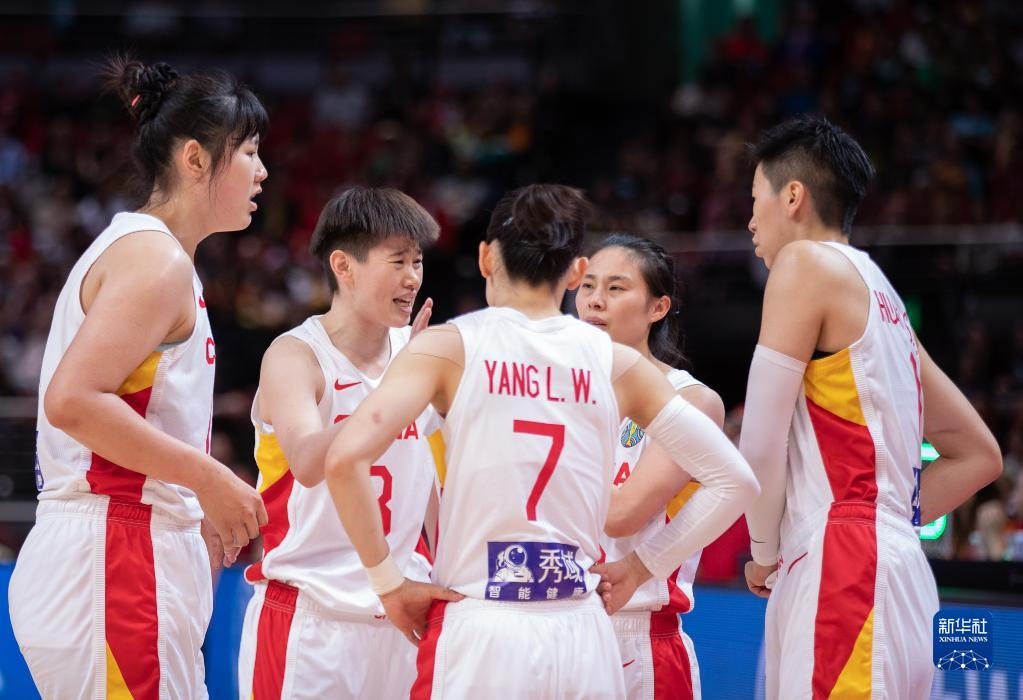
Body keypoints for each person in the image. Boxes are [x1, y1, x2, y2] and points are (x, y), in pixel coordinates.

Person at [322, 184, 759, 698]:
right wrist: (642, 566)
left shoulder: (446, 347)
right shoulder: (619, 363)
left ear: (486, 258)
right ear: (575, 273)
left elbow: (344, 459)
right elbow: (737, 482)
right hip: (583, 628)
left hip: (481, 622)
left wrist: (388, 584)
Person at [8, 58, 269, 698]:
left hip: (121, 553)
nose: (262, 171)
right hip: (115, 555)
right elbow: (73, 400)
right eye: (249, 152)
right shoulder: (155, 259)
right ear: (195, 158)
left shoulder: (148, 252)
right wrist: (209, 478)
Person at [739, 114, 1003, 699]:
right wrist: (887, 516)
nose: (750, 220)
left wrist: (763, 553)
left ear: (793, 196)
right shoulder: (887, 302)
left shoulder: (804, 263)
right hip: (898, 569)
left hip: (844, 567)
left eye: (755, 199)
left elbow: (758, 441)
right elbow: (980, 455)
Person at [236, 187, 442, 699]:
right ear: (344, 266)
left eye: (417, 261)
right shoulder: (295, 356)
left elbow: (434, 485)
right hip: (310, 620)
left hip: (403, 614)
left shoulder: (420, 352)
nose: (412, 277)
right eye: (398, 261)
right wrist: (397, 388)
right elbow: (308, 461)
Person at [575, 233, 725, 700]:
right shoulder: (560, 392)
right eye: (587, 286)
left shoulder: (691, 400)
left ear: (657, 308)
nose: (595, 300)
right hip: (556, 627)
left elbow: (623, 515)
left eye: (616, 288)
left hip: (638, 638)